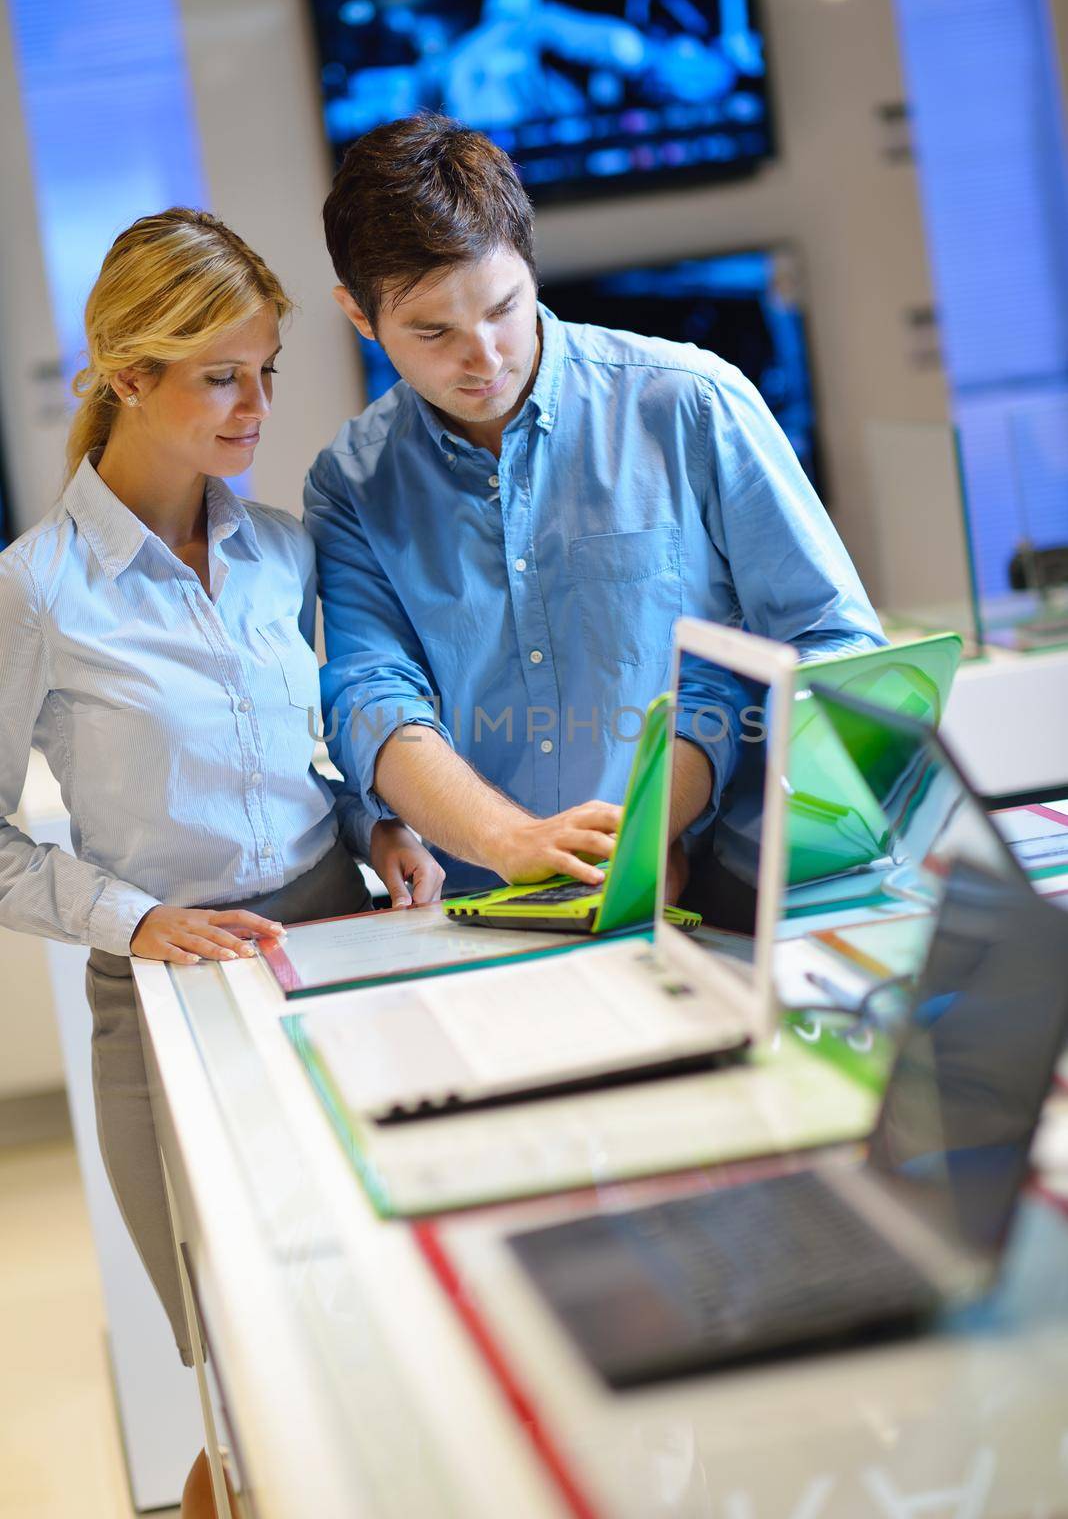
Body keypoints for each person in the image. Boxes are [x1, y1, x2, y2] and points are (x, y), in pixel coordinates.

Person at [0, 208, 441, 1518]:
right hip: (171, 1015)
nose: (255, 406)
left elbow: (306, 757)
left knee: (380, 1349)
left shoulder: (286, 550)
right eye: (219, 376)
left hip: (332, 956)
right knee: (244, 1392)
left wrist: (374, 821)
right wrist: (135, 923)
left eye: (265, 374)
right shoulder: (38, 590)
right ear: (128, 377)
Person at [305, 114, 885, 901]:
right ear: (359, 316)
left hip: (711, 892)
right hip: (490, 912)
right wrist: (513, 841)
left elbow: (832, 641)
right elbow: (372, 701)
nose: (485, 357)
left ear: (531, 266)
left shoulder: (692, 405)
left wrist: (656, 823)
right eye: (433, 331)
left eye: (503, 307)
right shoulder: (350, 484)